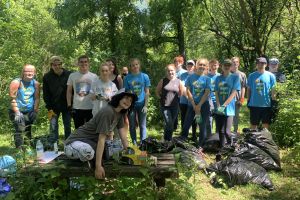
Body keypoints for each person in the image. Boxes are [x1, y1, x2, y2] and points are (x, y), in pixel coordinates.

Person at [64, 90, 137, 179]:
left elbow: (123, 138)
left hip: (91, 143)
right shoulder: (108, 112)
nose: (128, 101)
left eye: (130, 100)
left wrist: (132, 155)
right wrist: (98, 167)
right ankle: (87, 163)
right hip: (75, 142)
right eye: (126, 98)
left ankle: (91, 158)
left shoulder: (120, 114)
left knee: (120, 146)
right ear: (119, 98)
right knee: (87, 152)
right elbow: (101, 139)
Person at [181, 58, 211, 149]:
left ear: (206, 67)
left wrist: (199, 105)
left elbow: (206, 93)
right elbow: (188, 91)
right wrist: (194, 105)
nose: (202, 66)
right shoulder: (190, 77)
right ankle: (182, 144)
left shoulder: (207, 79)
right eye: (200, 64)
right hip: (192, 105)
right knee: (186, 125)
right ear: (196, 66)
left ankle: (201, 146)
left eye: (204, 65)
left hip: (204, 105)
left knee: (202, 126)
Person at [9, 64, 40, 148]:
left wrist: (35, 110)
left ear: (35, 73)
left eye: (32, 71)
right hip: (16, 110)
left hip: (29, 110)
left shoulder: (36, 84)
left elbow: (37, 98)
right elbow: (12, 99)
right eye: (27, 71)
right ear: (23, 72)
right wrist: (17, 112)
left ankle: (28, 148)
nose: (29, 73)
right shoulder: (16, 82)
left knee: (28, 129)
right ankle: (19, 150)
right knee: (20, 129)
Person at [43, 56, 72, 143]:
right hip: (52, 106)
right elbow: (46, 93)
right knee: (53, 126)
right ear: (51, 65)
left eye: (59, 64)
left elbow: (72, 90)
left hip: (67, 105)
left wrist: (71, 104)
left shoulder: (69, 74)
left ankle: (69, 143)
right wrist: (48, 106)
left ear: (61, 64)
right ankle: (53, 144)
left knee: (67, 125)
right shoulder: (47, 77)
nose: (57, 66)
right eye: (54, 65)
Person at [124, 58, 151, 145]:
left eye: (136, 64)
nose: (135, 66)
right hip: (131, 105)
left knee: (143, 125)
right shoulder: (127, 78)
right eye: (133, 65)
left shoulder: (145, 76)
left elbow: (147, 92)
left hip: (142, 103)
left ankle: (143, 143)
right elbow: (126, 92)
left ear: (139, 65)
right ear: (130, 67)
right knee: (132, 125)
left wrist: (146, 105)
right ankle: (134, 143)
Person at [214, 59, 241, 148]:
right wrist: (218, 105)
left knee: (227, 131)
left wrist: (224, 105)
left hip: (229, 108)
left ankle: (232, 144)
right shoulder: (218, 78)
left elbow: (234, 93)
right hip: (219, 108)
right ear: (222, 66)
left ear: (231, 67)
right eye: (225, 65)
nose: (226, 67)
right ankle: (222, 149)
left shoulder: (235, 77)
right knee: (221, 131)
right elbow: (216, 92)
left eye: (228, 65)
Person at [66, 55, 98, 129]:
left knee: (90, 129)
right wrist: (69, 105)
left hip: (91, 107)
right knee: (78, 130)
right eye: (81, 62)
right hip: (77, 108)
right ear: (78, 63)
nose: (83, 64)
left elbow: (97, 92)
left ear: (89, 63)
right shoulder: (72, 75)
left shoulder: (94, 76)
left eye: (85, 62)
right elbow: (69, 91)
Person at [247, 57, 276, 129]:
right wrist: (248, 100)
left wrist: (273, 101)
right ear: (256, 64)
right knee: (253, 125)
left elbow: (273, 89)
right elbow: (249, 89)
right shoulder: (251, 76)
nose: (261, 65)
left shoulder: (271, 76)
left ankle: (265, 139)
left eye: (263, 63)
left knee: (265, 125)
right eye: (259, 63)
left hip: (266, 104)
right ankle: (253, 139)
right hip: (254, 104)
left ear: (266, 64)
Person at [156, 64, 184, 141]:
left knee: (169, 124)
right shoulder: (163, 80)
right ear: (166, 72)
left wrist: (176, 99)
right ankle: (168, 140)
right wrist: (161, 98)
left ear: (175, 71)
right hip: (164, 106)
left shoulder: (179, 81)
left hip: (175, 106)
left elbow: (181, 93)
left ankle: (166, 140)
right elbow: (157, 92)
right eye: (168, 70)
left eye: (172, 70)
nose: (170, 72)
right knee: (169, 123)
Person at [179, 59, 197, 140]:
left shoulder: (196, 75)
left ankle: (194, 135)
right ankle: (184, 135)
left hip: (193, 100)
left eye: (191, 65)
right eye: (188, 65)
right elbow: (181, 86)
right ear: (186, 66)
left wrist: (191, 99)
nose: (190, 67)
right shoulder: (182, 75)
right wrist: (187, 97)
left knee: (193, 118)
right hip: (183, 100)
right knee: (183, 117)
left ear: (194, 66)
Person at [230, 57, 247, 134]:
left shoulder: (242, 74)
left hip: (237, 98)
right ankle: (227, 131)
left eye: (236, 62)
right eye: (233, 62)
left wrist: (242, 98)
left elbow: (243, 87)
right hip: (227, 99)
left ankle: (235, 131)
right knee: (228, 116)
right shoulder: (227, 73)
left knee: (236, 115)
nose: (235, 63)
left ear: (239, 63)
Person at [206, 59, 220, 137]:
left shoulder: (220, 76)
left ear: (218, 66)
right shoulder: (206, 76)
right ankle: (209, 137)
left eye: (215, 65)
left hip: (218, 101)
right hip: (208, 100)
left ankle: (217, 137)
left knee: (218, 119)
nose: (213, 66)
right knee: (209, 120)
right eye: (211, 65)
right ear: (209, 66)